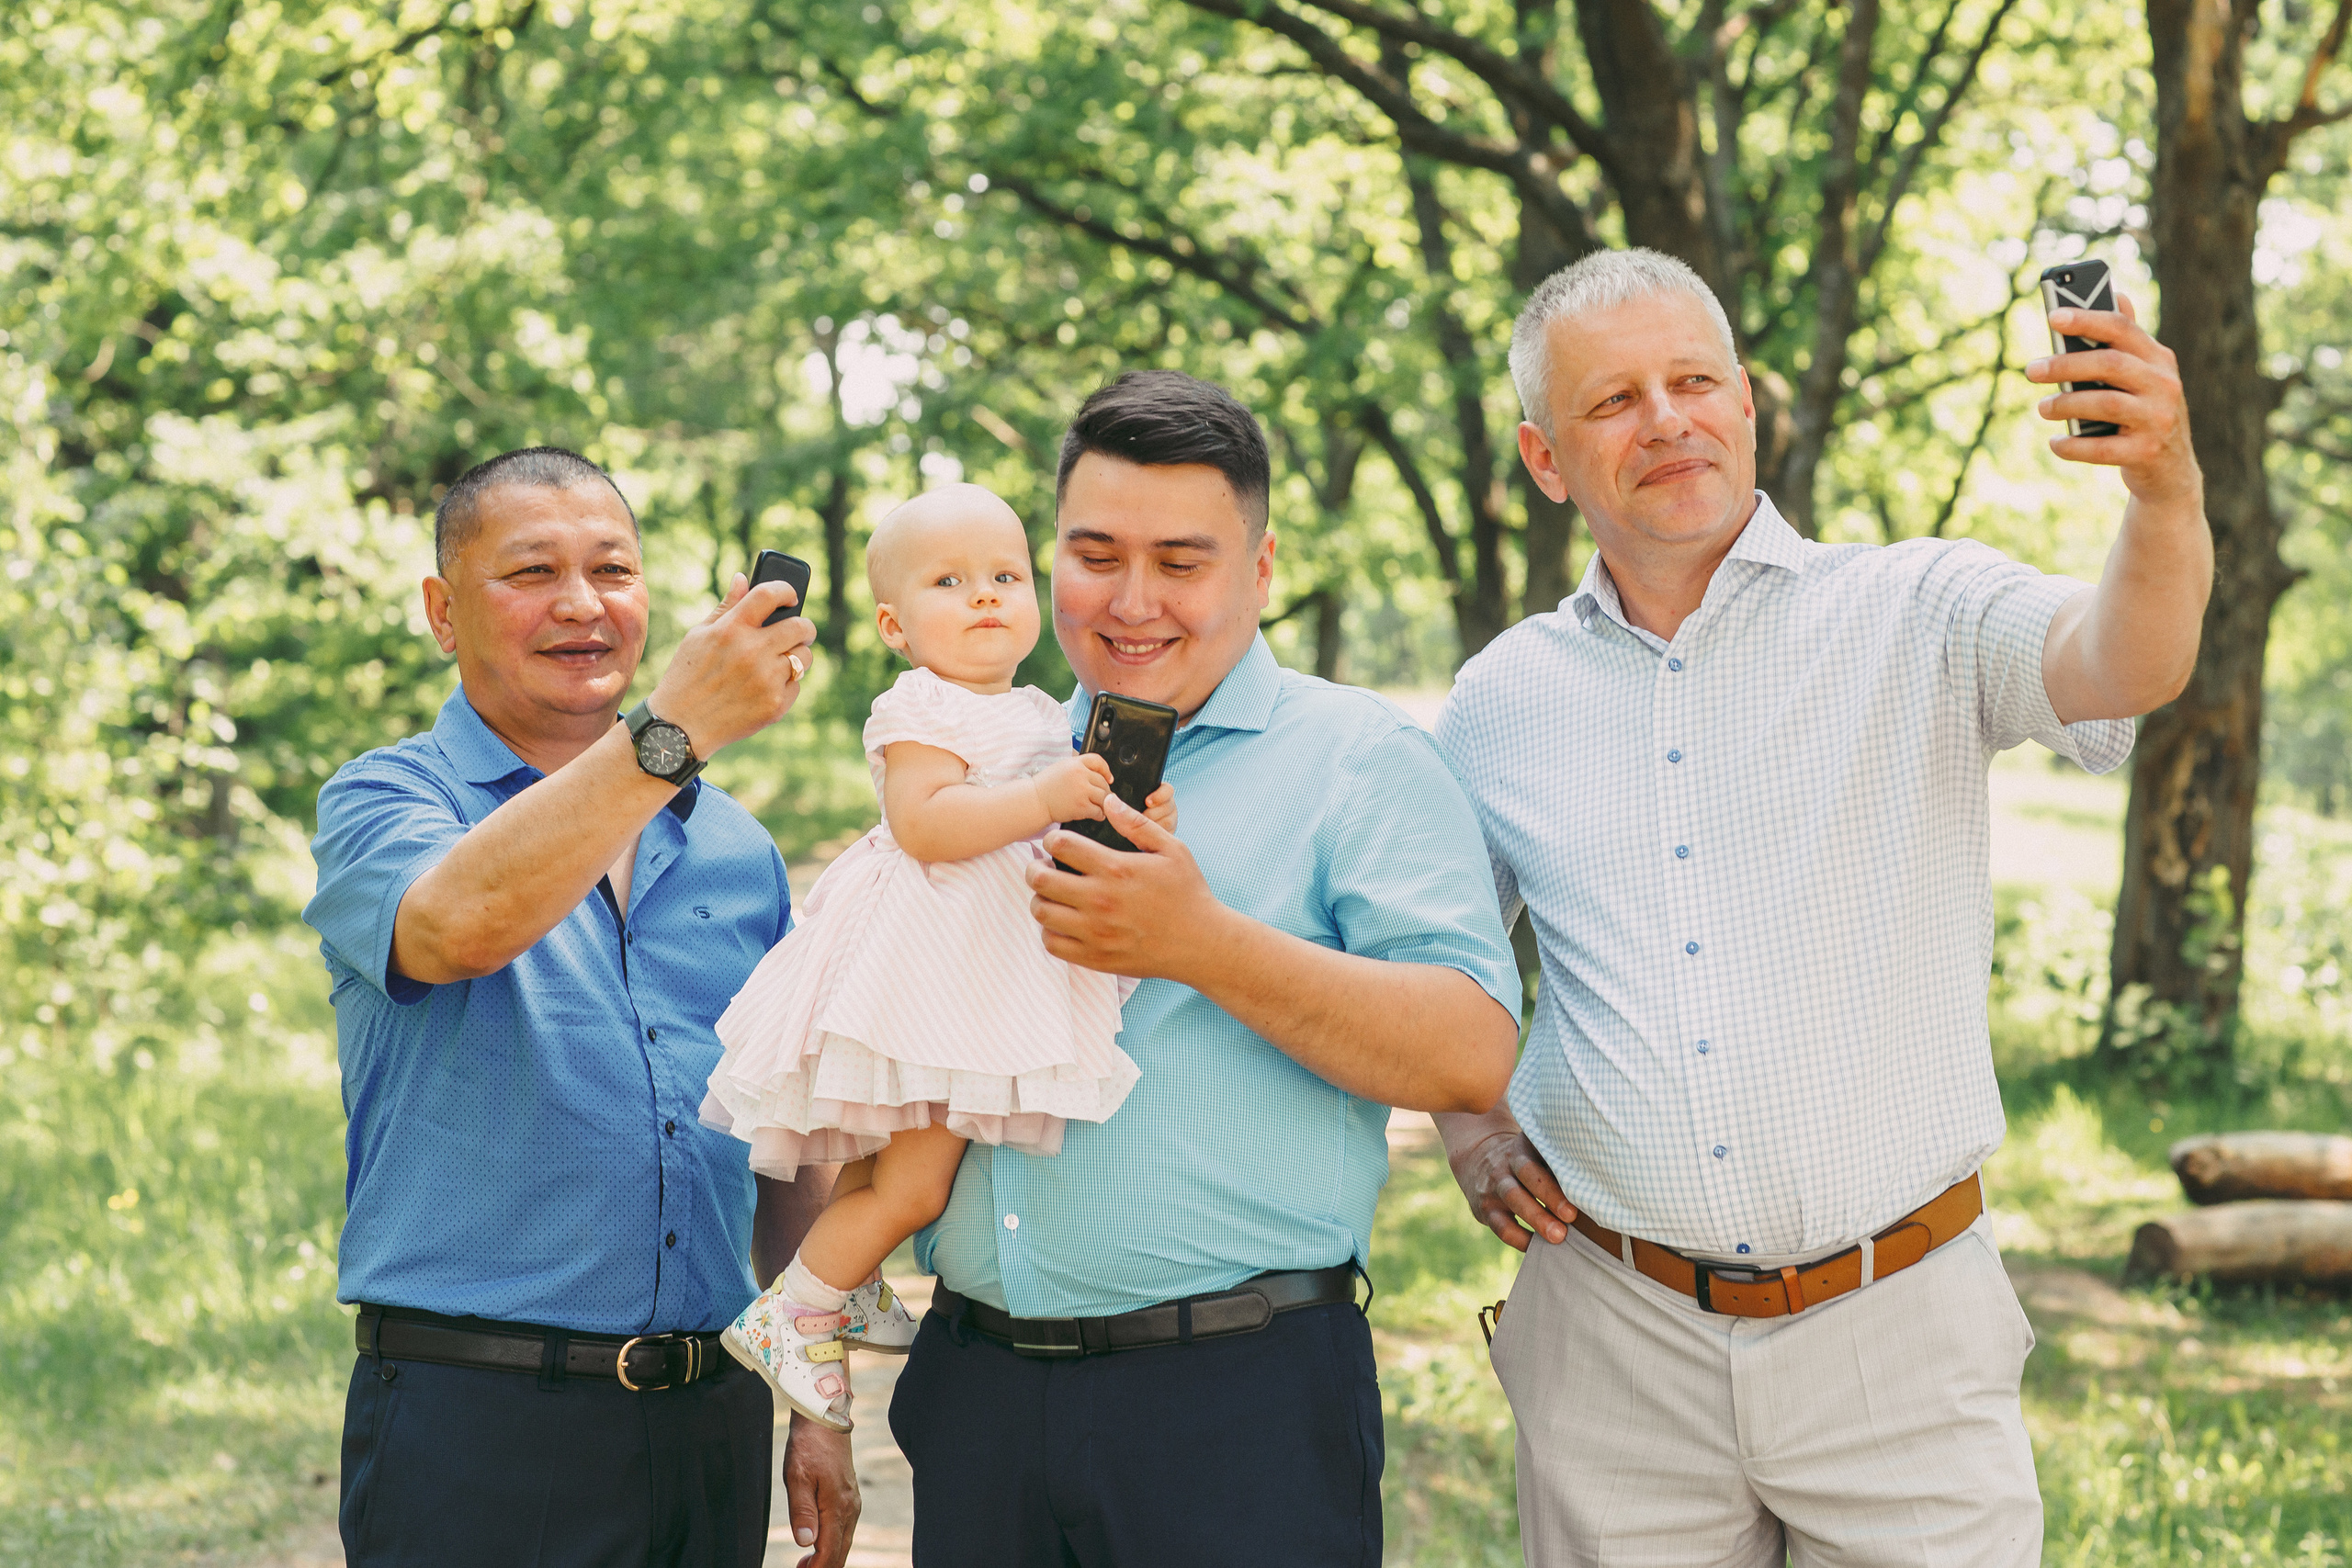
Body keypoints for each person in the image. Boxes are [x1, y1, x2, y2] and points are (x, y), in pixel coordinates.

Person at [1434, 249, 2210, 1564]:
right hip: (1614, 1343)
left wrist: (2163, 483)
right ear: (1545, 457)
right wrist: (1466, 1120)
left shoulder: (1922, 606)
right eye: (1615, 400)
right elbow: (1434, 955)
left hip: (1899, 1333)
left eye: (1694, 381)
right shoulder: (1501, 696)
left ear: (1745, 404)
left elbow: (2124, 656)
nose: (1669, 418)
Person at [880, 369, 1525, 1567]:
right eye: (1094, 552)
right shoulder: (986, 756)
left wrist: (1201, 943)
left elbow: (1471, 1044)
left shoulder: (1361, 760)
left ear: (1262, 566)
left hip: (1238, 1406)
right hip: (977, 1397)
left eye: (1182, 559)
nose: (1132, 600)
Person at [304, 446, 861, 1568]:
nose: (580, 604)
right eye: (529, 573)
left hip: (706, 1422)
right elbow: (457, 925)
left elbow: (784, 1146)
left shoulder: (738, 848)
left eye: (612, 569)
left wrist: (819, 1399)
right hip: (481, 1424)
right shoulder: (386, 796)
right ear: (442, 612)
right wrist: (669, 737)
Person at [701, 483, 1169, 1431]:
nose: (986, 596)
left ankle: (849, 1268)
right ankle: (796, 1311)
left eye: (1005, 574)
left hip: (978, 959)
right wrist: (1043, 798)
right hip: (933, 968)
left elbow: (1047, 810)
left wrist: (1111, 810)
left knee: (885, 1164)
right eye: (950, 581)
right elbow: (924, 825)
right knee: (917, 1181)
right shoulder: (919, 704)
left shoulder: (1040, 708)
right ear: (894, 624)